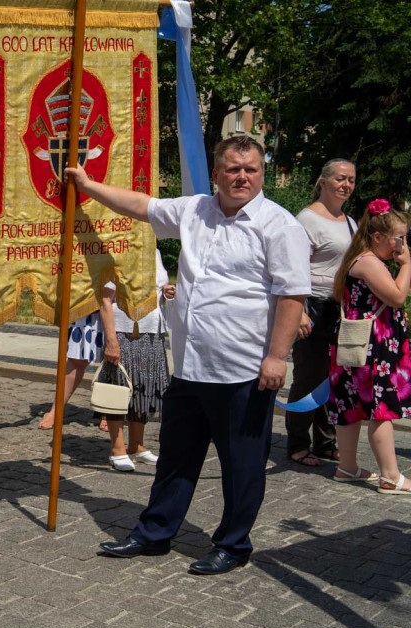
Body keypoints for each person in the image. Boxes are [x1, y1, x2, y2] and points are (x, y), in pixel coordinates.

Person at [73, 135, 310, 576]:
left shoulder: (280, 226)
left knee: (241, 465)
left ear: (261, 173)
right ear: (216, 173)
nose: (242, 176)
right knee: (177, 457)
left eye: (251, 169)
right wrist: (89, 187)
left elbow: (291, 294)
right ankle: (154, 533)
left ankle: (233, 544)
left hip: (244, 370)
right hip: (190, 367)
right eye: (233, 168)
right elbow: (140, 206)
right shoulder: (195, 209)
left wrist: (278, 357)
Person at [325, 200, 411, 493]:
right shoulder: (370, 262)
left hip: (357, 343)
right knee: (380, 406)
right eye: (399, 237)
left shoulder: (360, 259)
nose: (402, 244)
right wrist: (408, 265)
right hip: (373, 346)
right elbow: (398, 296)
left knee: (349, 405)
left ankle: (347, 468)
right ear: (377, 237)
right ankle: (390, 475)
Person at [286, 159, 358, 467]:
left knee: (333, 378)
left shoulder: (349, 221)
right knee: (307, 376)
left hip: (339, 308)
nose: (346, 185)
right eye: (341, 179)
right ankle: (298, 443)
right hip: (312, 305)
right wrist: (299, 311)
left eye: (351, 180)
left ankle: (326, 441)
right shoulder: (307, 219)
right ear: (324, 182)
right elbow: (294, 267)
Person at [96, 250, 173, 471]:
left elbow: (158, 288)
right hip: (123, 331)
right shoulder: (117, 250)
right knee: (118, 390)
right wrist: (111, 340)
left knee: (144, 389)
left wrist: (166, 292)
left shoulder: (155, 251)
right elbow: (105, 300)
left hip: (152, 331)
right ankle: (117, 448)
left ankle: (137, 445)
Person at [38, 311, 106, 430]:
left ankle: (110, 412)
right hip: (88, 302)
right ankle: (55, 411)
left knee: (113, 361)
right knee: (76, 359)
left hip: (118, 304)